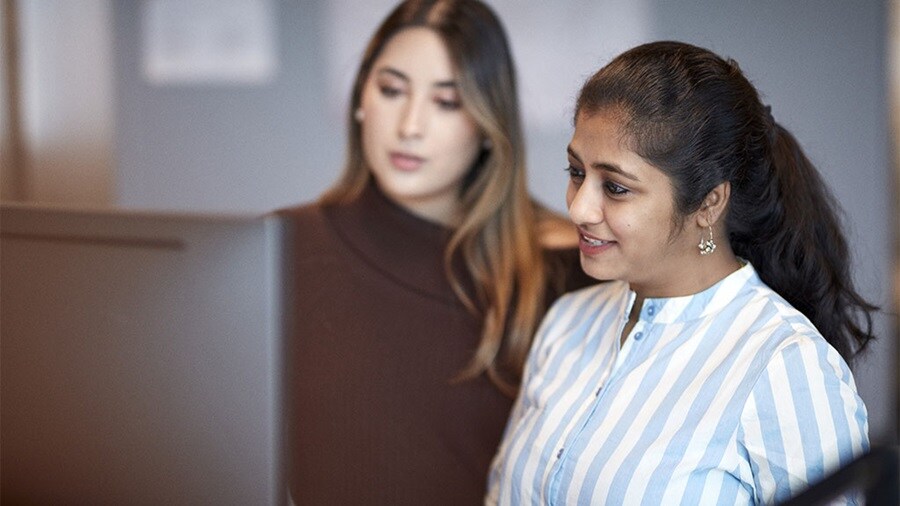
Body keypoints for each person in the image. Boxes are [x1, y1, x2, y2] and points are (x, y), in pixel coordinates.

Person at [487, 41, 877, 505]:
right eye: (576, 172)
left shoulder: (782, 364)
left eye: (615, 187)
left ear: (709, 203)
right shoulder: (567, 324)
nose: (579, 208)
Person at [277, 1, 593, 504]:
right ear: (360, 98)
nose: (410, 125)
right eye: (391, 90)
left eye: (447, 102)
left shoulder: (566, 270)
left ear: (488, 124)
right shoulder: (278, 250)